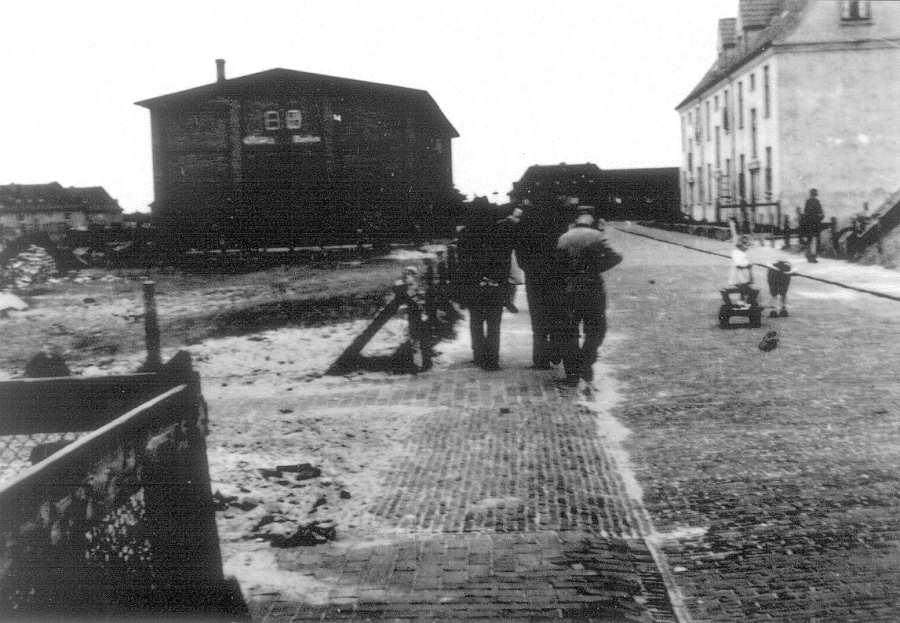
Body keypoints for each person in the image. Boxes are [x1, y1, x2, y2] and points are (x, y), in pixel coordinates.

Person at [555, 212, 623, 386]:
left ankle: (572, 375)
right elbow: (616, 256)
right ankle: (586, 360)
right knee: (596, 329)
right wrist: (597, 268)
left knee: (569, 332)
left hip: (569, 289)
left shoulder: (563, 238)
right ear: (591, 224)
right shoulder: (597, 236)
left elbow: (557, 263)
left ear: (576, 223)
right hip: (593, 288)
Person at [456, 205, 516, 370]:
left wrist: (469, 281)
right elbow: (506, 259)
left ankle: (478, 353)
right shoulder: (500, 233)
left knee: (476, 320)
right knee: (494, 323)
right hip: (495, 284)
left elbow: (461, 262)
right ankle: (492, 358)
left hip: (474, 284)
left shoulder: (465, 234)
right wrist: (500, 279)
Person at [514, 195, 571, 369]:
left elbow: (520, 250)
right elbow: (565, 249)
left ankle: (540, 359)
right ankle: (555, 352)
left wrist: (527, 268)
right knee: (556, 314)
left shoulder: (525, 221)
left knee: (538, 318)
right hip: (556, 275)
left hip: (535, 276)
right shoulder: (559, 220)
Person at [720, 234, 759, 307]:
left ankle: (744, 302)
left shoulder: (742, 253)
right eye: (746, 246)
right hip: (738, 277)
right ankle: (746, 303)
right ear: (741, 246)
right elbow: (739, 264)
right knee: (751, 291)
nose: (747, 248)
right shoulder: (736, 253)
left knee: (747, 290)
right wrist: (748, 264)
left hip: (743, 276)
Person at [803, 188, 824, 263]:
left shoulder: (808, 202)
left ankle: (809, 256)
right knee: (814, 241)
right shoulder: (817, 202)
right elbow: (822, 214)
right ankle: (812, 256)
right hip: (815, 224)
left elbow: (805, 213)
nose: (814, 196)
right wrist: (819, 219)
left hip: (809, 224)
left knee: (810, 241)